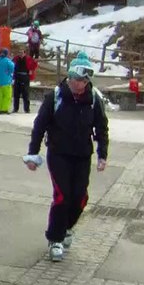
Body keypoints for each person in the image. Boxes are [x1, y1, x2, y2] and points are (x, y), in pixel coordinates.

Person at [23, 53, 108, 262]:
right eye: (78, 80)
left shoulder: (93, 98)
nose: (81, 84)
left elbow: (102, 127)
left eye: (85, 81)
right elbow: (40, 125)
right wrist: (33, 153)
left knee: (80, 197)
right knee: (62, 197)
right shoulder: (56, 96)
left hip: (82, 155)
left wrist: (102, 154)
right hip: (58, 153)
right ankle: (55, 239)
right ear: (70, 78)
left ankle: (67, 227)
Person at [0, 47, 15, 115]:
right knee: (7, 96)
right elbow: (12, 67)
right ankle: (4, 109)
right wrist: (8, 73)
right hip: (6, 81)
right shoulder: (7, 61)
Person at [12, 50, 34, 114]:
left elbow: (32, 66)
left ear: (24, 53)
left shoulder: (28, 58)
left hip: (25, 78)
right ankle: (15, 108)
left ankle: (27, 109)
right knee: (16, 94)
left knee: (25, 94)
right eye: (19, 52)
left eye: (21, 53)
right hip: (17, 77)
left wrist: (31, 71)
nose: (20, 54)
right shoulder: (16, 58)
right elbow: (12, 65)